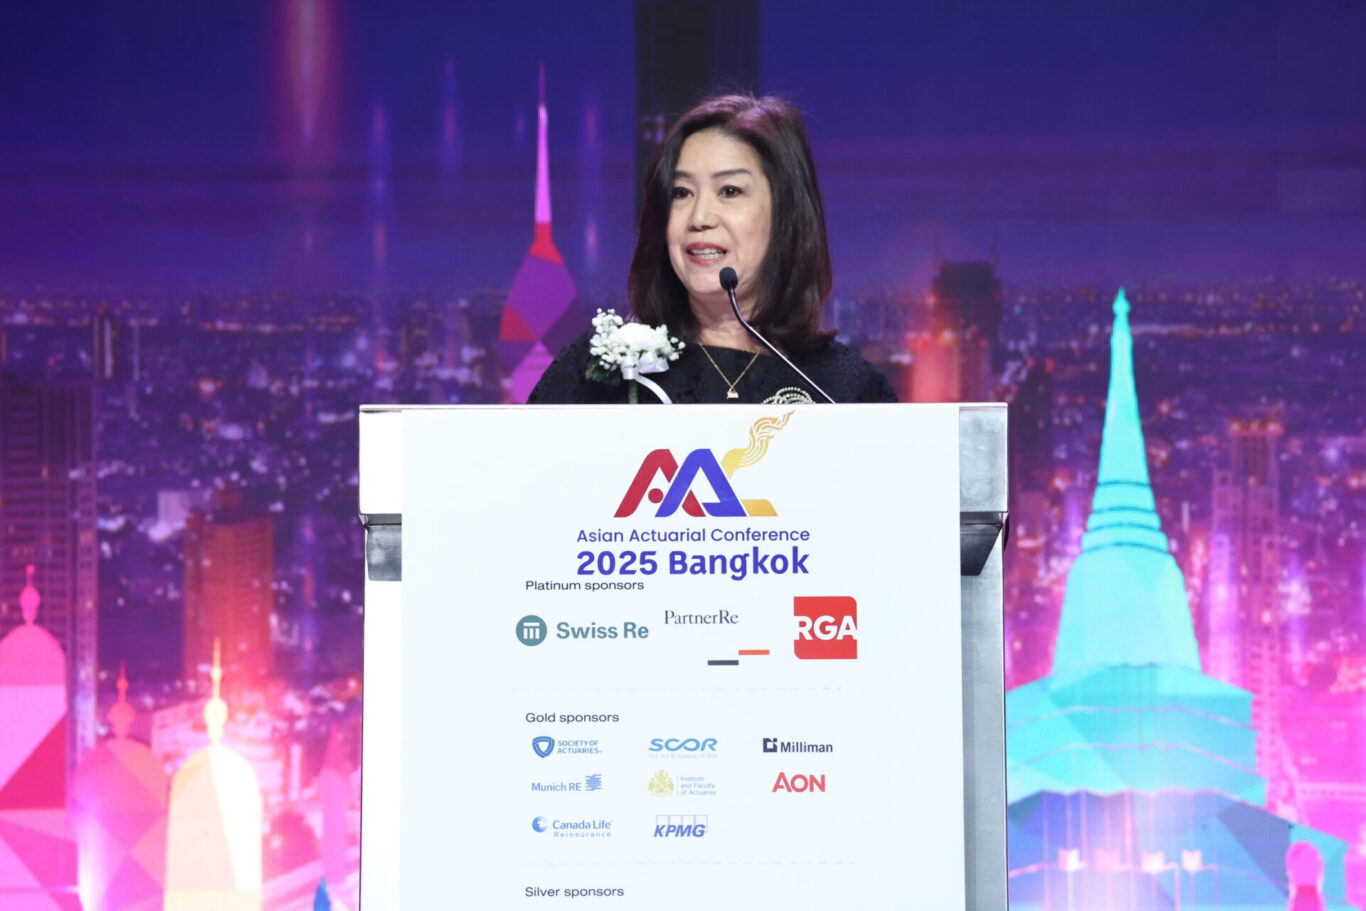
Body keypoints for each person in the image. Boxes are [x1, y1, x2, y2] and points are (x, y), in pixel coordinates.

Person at [527, 94, 897, 405]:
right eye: (681, 193)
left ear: (787, 213)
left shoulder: (845, 392)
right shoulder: (596, 376)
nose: (699, 217)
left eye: (730, 191)